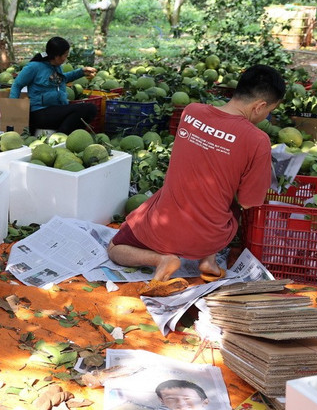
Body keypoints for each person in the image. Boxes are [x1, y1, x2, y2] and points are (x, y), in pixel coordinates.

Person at [107, 64, 285, 297]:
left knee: (114, 248)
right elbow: (249, 202)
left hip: (161, 228)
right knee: (228, 201)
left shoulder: (191, 112)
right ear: (259, 106)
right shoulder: (258, 140)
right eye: (269, 111)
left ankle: (161, 259)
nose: (265, 116)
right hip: (211, 237)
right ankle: (208, 261)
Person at [9, 37, 97, 134]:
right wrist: (13, 108)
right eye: (65, 55)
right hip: (40, 113)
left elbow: (61, 79)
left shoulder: (56, 66)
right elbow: (17, 85)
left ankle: (62, 135)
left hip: (56, 109)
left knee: (90, 109)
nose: (66, 58)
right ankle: (61, 137)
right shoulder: (34, 67)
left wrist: (81, 72)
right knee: (86, 109)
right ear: (57, 56)